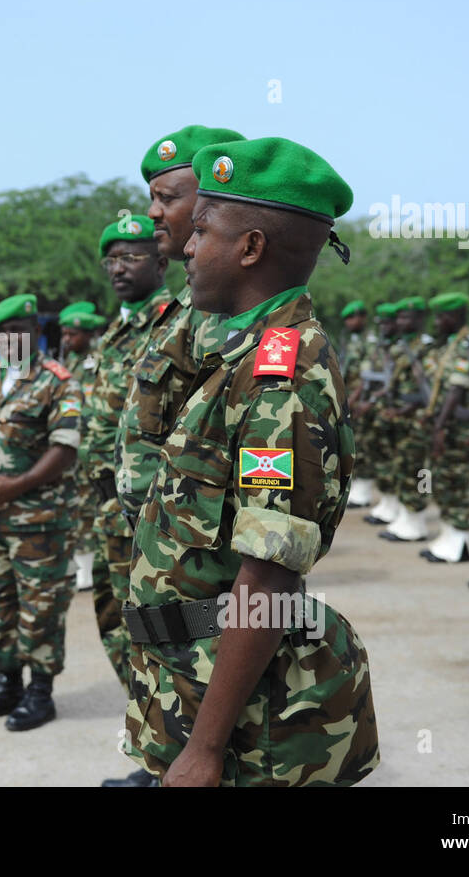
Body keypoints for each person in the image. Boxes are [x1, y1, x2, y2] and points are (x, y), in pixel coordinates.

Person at [125, 136, 379, 787]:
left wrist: (206, 749)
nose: (184, 245)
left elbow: (268, 584)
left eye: (202, 229)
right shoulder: (239, 355)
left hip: (240, 717)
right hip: (189, 671)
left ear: (250, 247)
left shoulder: (281, 376)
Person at [105, 123, 245, 788]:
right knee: (156, 664)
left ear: (217, 199)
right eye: (151, 197)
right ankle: (157, 758)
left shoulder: (233, 321)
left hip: (207, 576)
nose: (154, 212)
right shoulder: (195, 310)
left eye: (168, 196)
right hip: (155, 542)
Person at [0, 294, 83, 730]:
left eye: (18, 330)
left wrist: (16, 487)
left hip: (40, 520)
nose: (9, 339)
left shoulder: (58, 381)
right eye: (1, 333)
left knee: (41, 606)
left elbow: (64, 451)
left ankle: (40, 692)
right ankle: (7, 682)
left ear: (34, 332)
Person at [81, 215, 172, 690]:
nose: (118, 268)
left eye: (131, 257)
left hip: (148, 513)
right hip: (106, 510)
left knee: (153, 631)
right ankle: (149, 737)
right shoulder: (116, 331)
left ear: (160, 262)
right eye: (111, 260)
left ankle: (171, 751)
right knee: (114, 622)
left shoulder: (174, 325)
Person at [419, 293, 469, 563]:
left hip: (459, 425)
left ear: (456, 316)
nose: (437, 322)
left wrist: (438, 427)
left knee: (455, 481)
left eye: (442, 316)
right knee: (443, 480)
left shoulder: (467, 344)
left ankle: (460, 541)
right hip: (448, 424)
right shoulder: (451, 344)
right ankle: (450, 536)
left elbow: (456, 391)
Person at [376, 297, 436, 542]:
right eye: (399, 317)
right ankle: (406, 514)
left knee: (418, 469)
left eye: (406, 317)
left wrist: (406, 410)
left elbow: (432, 388)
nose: (400, 322)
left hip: (418, 419)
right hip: (399, 417)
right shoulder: (401, 346)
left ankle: (417, 518)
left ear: (420, 319)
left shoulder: (427, 347)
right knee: (401, 466)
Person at [58, 302, 109, 589]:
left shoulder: (99, 360)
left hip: (94, 448)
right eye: (64, 334)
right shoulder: (73, 362)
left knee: (89, 508)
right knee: (74, 506)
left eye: (72, 334)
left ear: (89, 335)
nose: (67, 340)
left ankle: (87, 571)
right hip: (73, 446)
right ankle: (79, 564)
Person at [359, 302, 402, 524]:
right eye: (381, 323)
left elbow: (394, 384)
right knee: (382, 458)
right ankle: (388, 501)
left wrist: (372, 400)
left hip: (398, 412)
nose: (383, 327)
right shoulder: (381, 347)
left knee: (403, 463)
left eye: (387, 322)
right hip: (380, 412)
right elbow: (369, 377)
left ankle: (405, 509)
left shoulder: (402, 348)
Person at [339, 300, 377, 507]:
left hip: (361, 402)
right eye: (346, 319)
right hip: (351, 399)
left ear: (362, 317)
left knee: (363, 444)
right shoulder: (353, 340)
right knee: (355, 442)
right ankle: (359, 486)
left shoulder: (368, 342)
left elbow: (366, 377)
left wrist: (351, 400)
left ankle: (364, 490)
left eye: (352, 317)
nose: (349, 322)